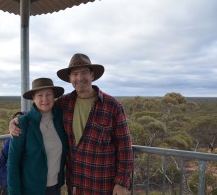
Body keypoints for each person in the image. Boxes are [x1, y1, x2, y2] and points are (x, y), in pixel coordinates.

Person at [10, 53, 133, 195]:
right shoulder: (65, 103)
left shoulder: (112, 106)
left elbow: (124, 146)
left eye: (84, 72)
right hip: (76, 185)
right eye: (75, 74)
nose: (80, 78)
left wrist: (122, 182)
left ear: (92, 75)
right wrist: (17, 119)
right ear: (70, 78)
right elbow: (40, 110)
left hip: (103, 184)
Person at [7, 77, 67, 195]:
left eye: (48, 94)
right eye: (39, 95)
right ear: (33, 98)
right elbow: (12, 163)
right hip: (30, 189)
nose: (44, 99)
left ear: (54, 97)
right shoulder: (23, 123)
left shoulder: (61, 118)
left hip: (55, 188)